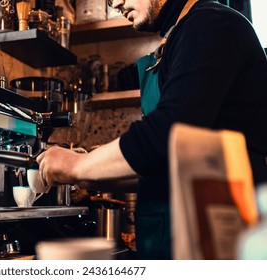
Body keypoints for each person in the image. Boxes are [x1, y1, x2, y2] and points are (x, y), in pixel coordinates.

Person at [37, 0, 267, 259]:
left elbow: (167, 136)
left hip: (222, 239)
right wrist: (90, 172)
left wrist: (77, 165)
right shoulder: (178, 37)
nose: (115, 4)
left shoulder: (212, 24)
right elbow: (166, 163)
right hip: (179, 238)